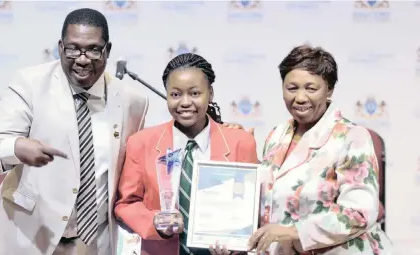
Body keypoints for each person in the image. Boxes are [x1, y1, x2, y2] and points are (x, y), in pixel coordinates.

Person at [0, 8, 149, 255]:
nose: (82, 59)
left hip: (94, 243)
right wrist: (17, 147)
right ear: (60, 47)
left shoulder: (133, 102)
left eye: (93, 49)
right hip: (26, 236)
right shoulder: (30, 84)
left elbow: (132, 174)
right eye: (73, 48)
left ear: (107, 50)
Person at [247, 45, 393, 254]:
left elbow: (359, 213)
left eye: (311, 88)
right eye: (292, 88)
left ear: (329, 90)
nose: (300, 97)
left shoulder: (352, 136)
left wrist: (294, 231)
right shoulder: (276, 135)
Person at [114, 53, 258, 255]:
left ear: (211, 93)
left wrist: (237, 245)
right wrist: (154, 221)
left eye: (195, 93)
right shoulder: (141, 143)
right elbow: (126, 204)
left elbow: (252, 210)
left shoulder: (241, 143)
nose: (184, 102)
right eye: (175, 94)